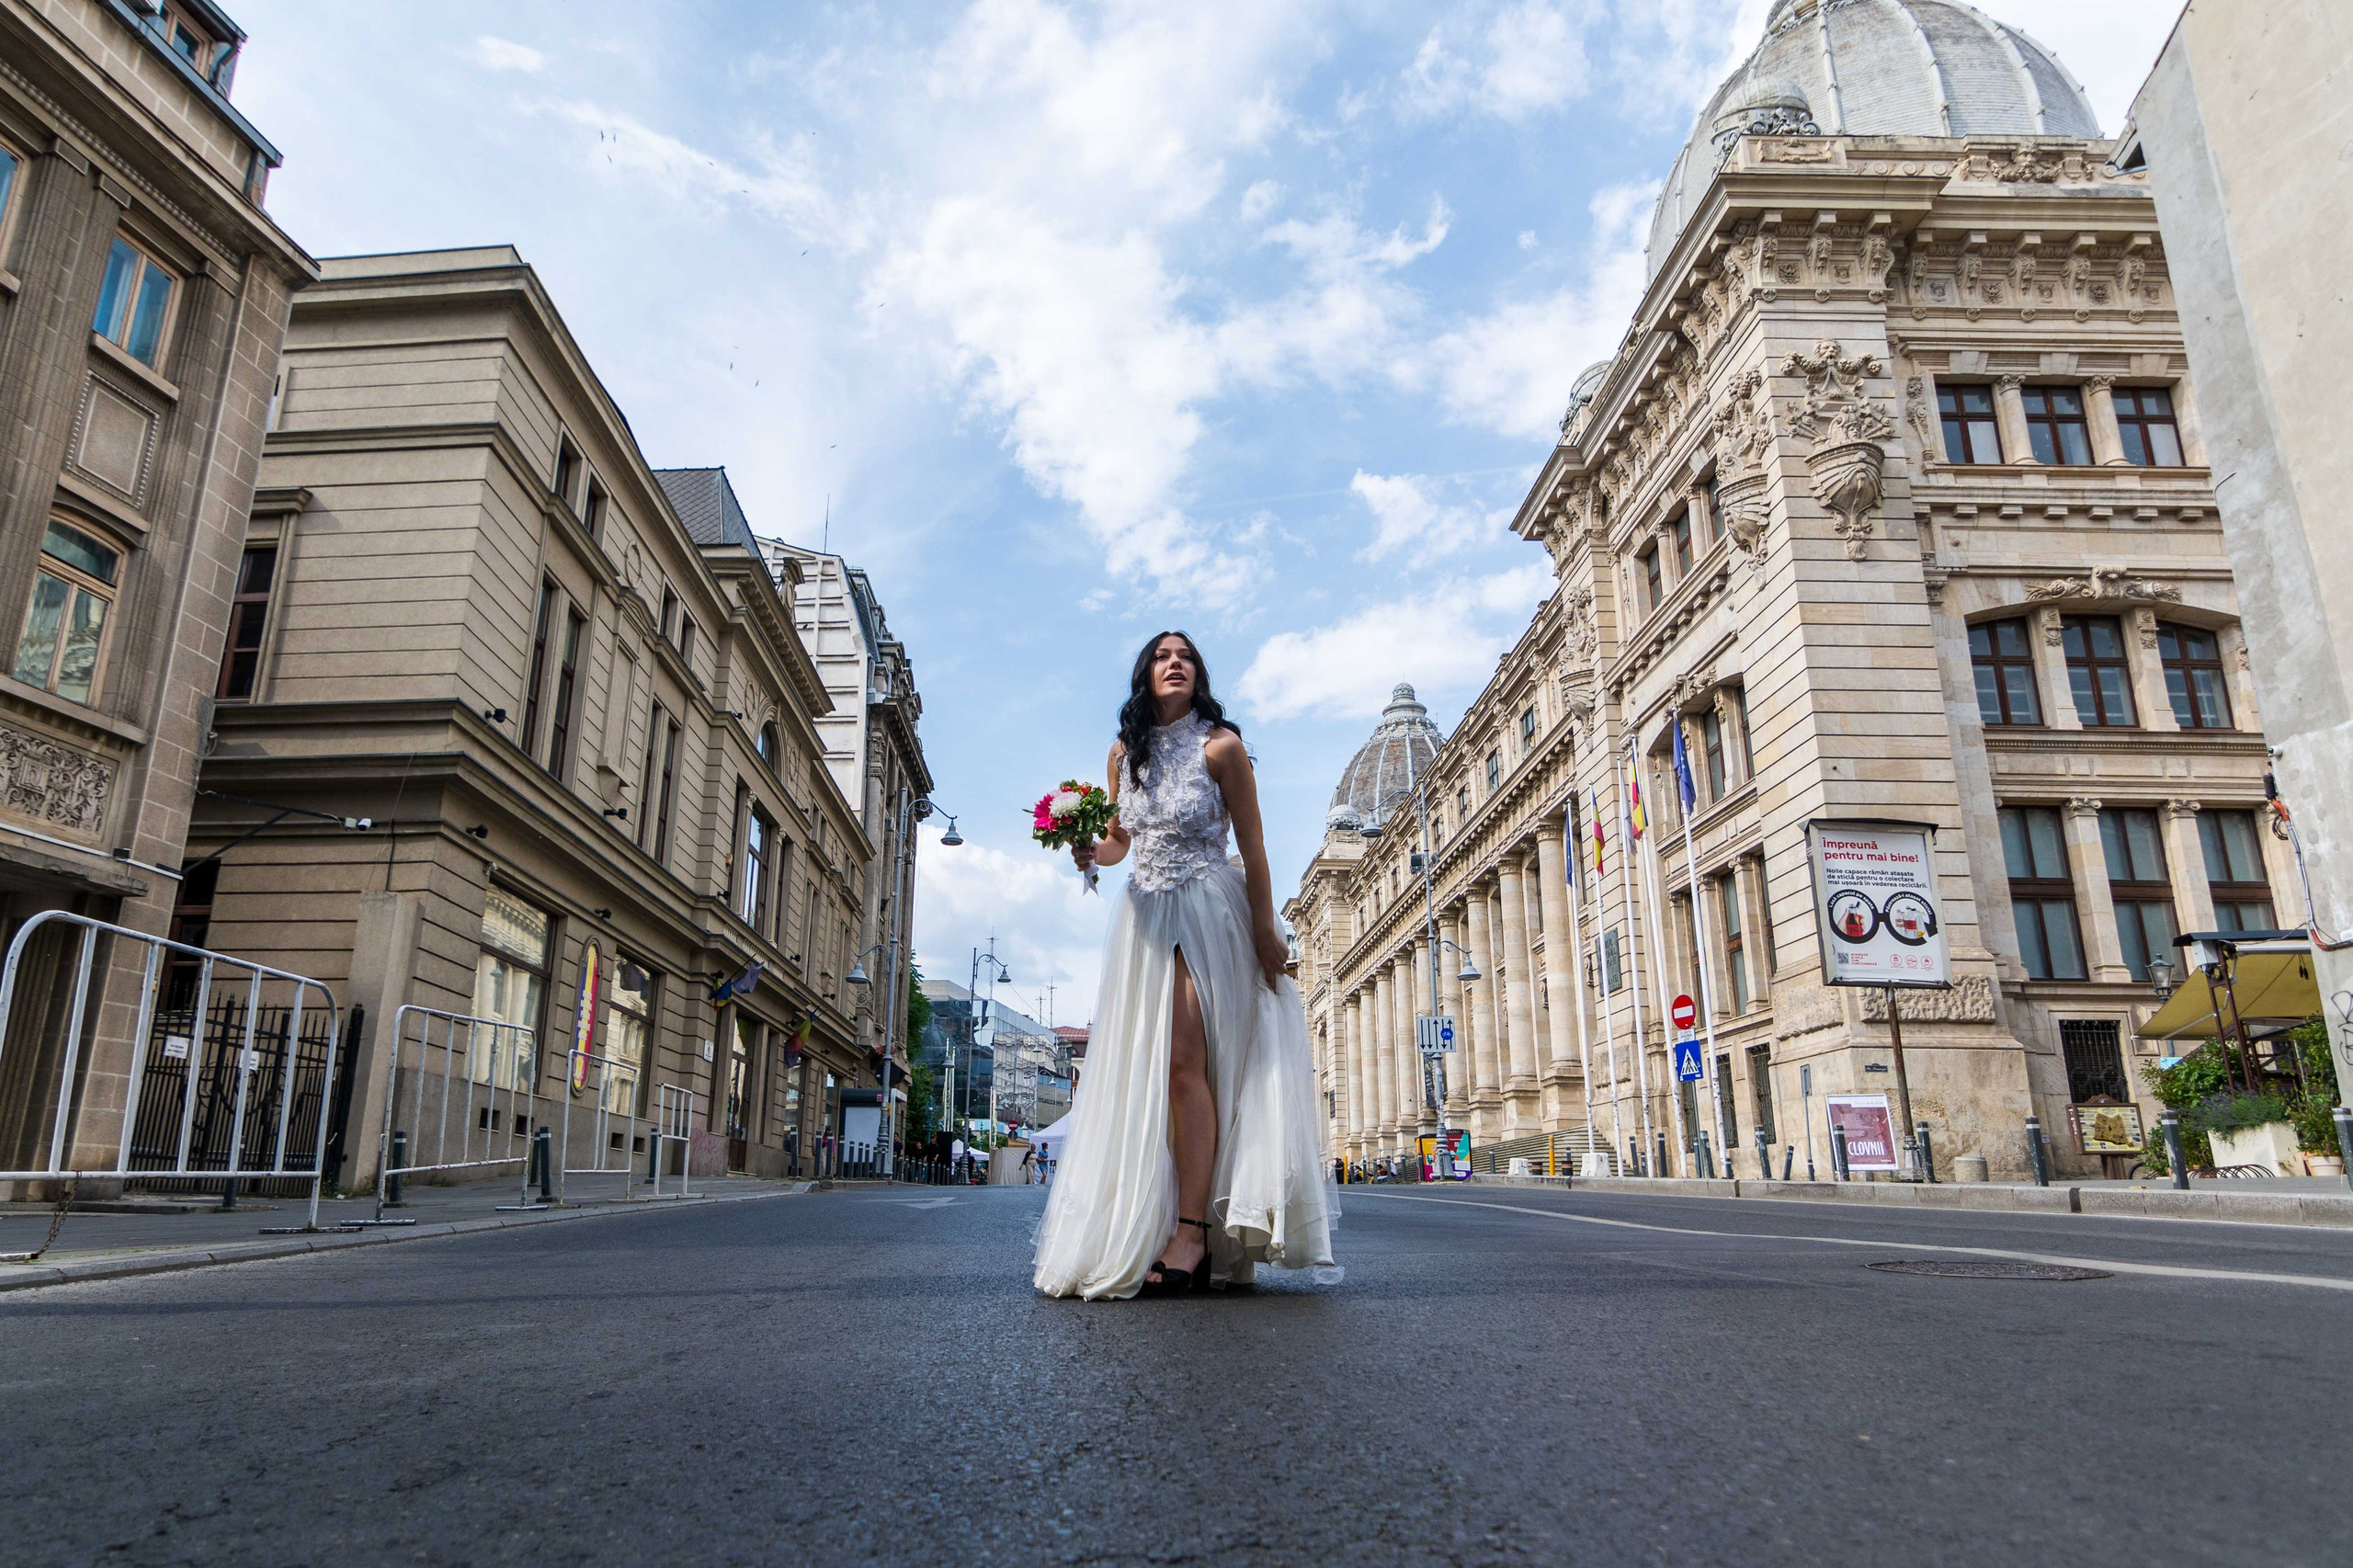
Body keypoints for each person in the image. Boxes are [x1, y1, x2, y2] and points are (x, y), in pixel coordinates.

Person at [1032, 631, 1340, 1300]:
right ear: (1145, 675)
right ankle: (1164, 1223)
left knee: (1186, 1063)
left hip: (1209, 910)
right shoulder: (1124, 755)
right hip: (1145, 917)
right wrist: (1086, 846)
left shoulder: (1221, 747)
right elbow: (1120, 843)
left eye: (1187, 656)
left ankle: (1195, 1232)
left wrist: (1267, 930)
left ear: (1198, 675)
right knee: (1155, 1074)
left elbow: (1254, 849)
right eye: (1163, 656)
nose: (1176, 663)